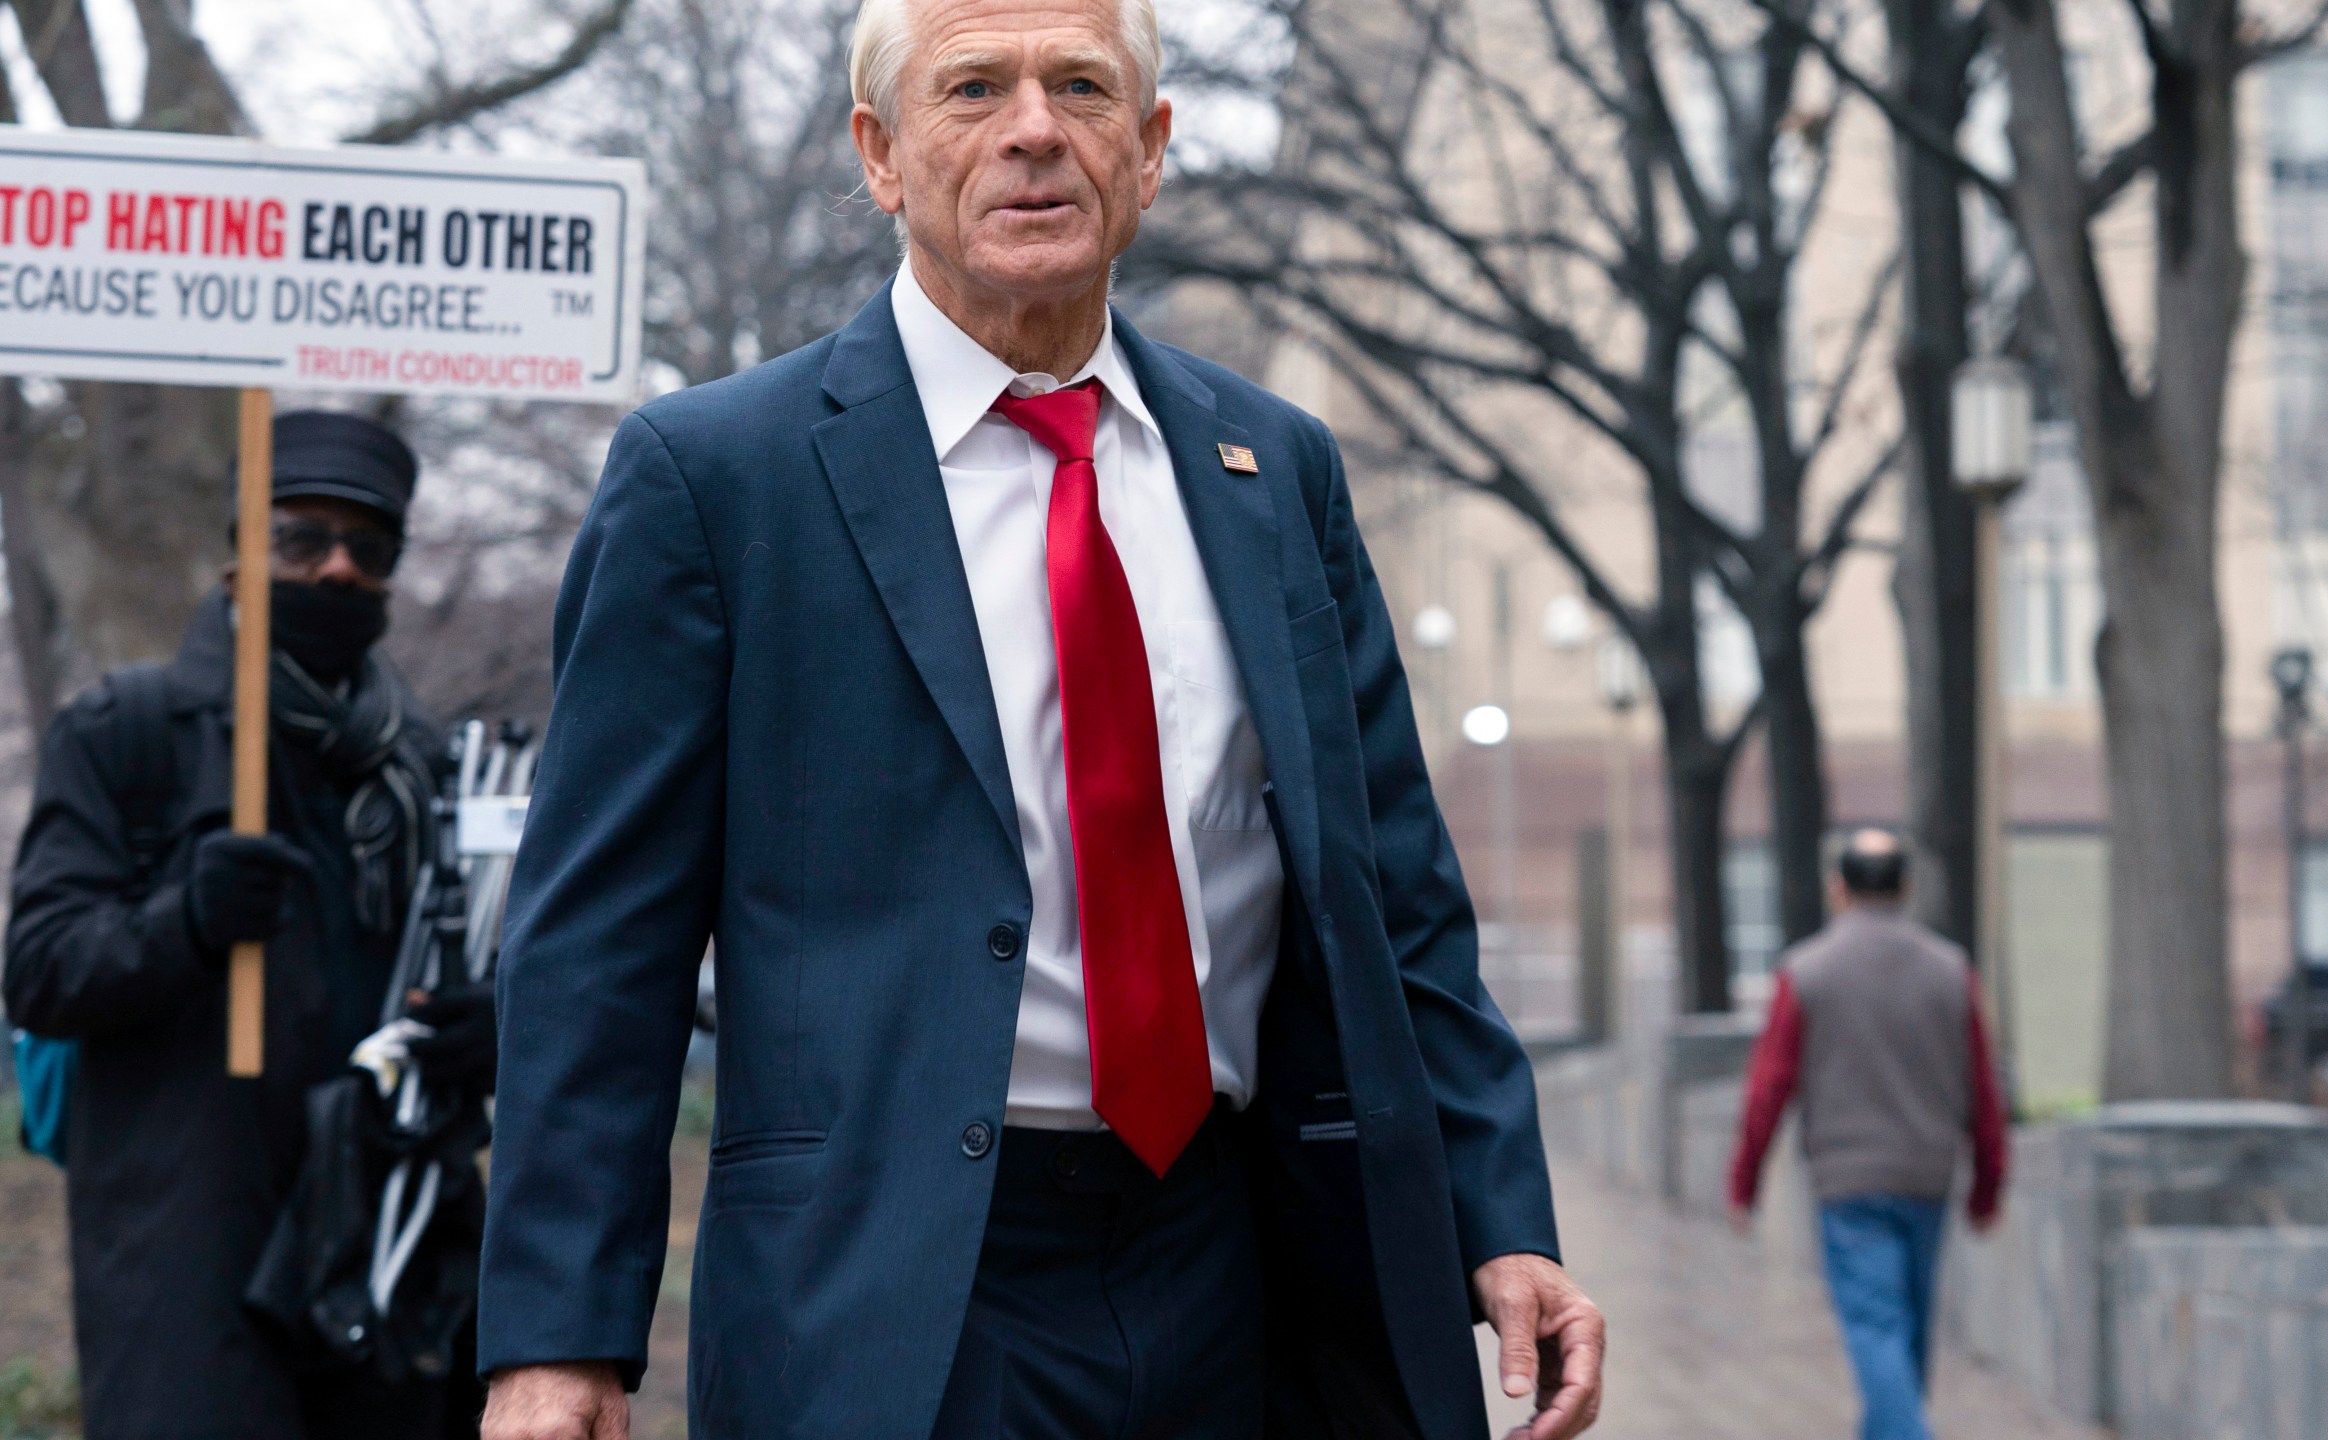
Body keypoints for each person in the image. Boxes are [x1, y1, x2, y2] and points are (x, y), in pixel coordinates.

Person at [474, 1, 1604, 1437]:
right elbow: (595, 946)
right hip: (893, 1291)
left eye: (1082, 86)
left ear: (1149, 151)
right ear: (882, 156)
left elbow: (1392, 897)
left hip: (1243, 1264)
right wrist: (557, 1339)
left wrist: (1502, 1216)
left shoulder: (1272, 471)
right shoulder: (716, 483)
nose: (1033, 130)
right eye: (973, 89)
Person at [3, 410, 494, 1440]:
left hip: (384, 1247)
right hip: (190, 1257)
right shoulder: (127, 731)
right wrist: (184, 922)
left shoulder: (424, 766)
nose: (335, 572)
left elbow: (482, 965)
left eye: (368, 550)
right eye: (301, 541)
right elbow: (41, 969)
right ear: (239, 558)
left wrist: (488, 1026)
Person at [1727, 828, 2007, 1440]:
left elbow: (1768, 1086)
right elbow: (1983, 1086)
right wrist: (1988, 1185)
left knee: (1876, 1327)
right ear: (1905, 887)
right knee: (1907, 1333)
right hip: (1928, 1176)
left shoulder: (1806, 972)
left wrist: (1744, 1182)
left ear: (1838, 889)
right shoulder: (1950, 970)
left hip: (1847, 1181)